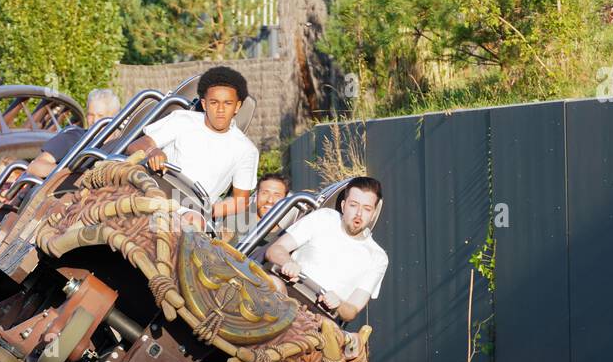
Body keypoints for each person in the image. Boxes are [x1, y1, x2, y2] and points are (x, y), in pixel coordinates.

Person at [126, 66, 258, 220]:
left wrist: (205, 214)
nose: (220, 109)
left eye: (227, 103)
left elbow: (240, 201)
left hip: (193, 211)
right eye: (214, 102)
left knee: (191, 224)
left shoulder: (246, 150)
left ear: (237, 106)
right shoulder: (182, 120)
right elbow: (134, 146)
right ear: (204, 104)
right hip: (152, 190)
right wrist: (152, 152)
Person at [264, 176, 388, 323]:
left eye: (367, 209)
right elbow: (275, 249)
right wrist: (287, 262)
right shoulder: (323, 218)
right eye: (353, 205)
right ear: (343, 206)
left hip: (322, 317)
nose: (359, 214)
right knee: (272, 284)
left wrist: (339, 304)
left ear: (373, 214)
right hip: (288, 292)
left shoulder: (377, 257)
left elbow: (352, 310)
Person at [26, 88, 122, 180]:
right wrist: (71, 175)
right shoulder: (73, 137)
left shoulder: (123, 144)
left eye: (101, 116)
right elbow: (35, 166)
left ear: (115, 117)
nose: (95, 121)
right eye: (90, 115)